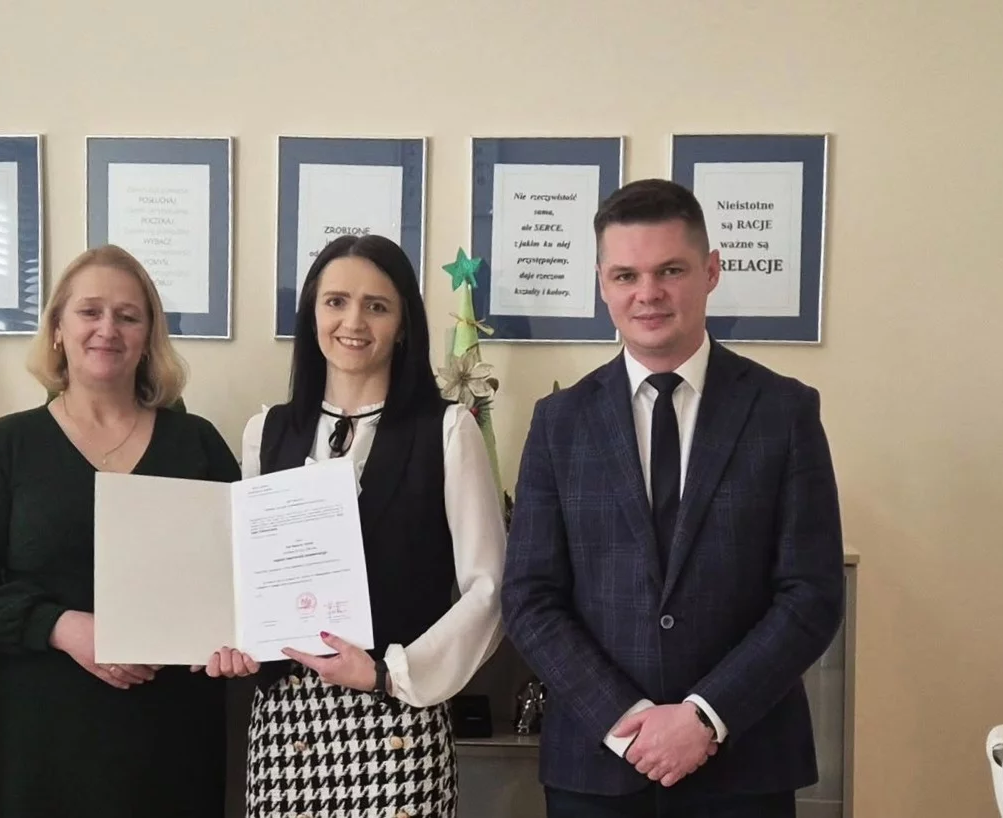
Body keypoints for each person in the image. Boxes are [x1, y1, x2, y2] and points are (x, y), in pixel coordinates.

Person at [501, 179, 846, 818]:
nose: (648, 293)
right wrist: (626, 719)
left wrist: (705, 717)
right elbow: (529, 597)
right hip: (597, 769)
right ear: (602, 284)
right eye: (626, 275)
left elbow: (812, 593)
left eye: (670, 270)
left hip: (745, 767)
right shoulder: (559, 423)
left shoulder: (784, 412)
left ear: (710, 271)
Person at [206, 234, 507, 818]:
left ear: (403, 324)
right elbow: (249, 577)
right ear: (312, 314)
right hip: (286, 725)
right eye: (336, 301)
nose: (353, 321)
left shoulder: (448, 431)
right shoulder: (265, 432)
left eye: (377, 305)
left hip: (398, 720)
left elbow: (489, 589)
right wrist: (231, 640)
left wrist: (390, 673)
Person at [0, 244, 239, 817]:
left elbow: (245, 574)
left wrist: (235, 637)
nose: (108, 329)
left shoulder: (196, 444)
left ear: (149, 337)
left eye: (128, 316)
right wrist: (60, 626)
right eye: (89, 311)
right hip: (44, 738)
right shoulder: (9, 445)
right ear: (57, 328)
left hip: (174, 737)